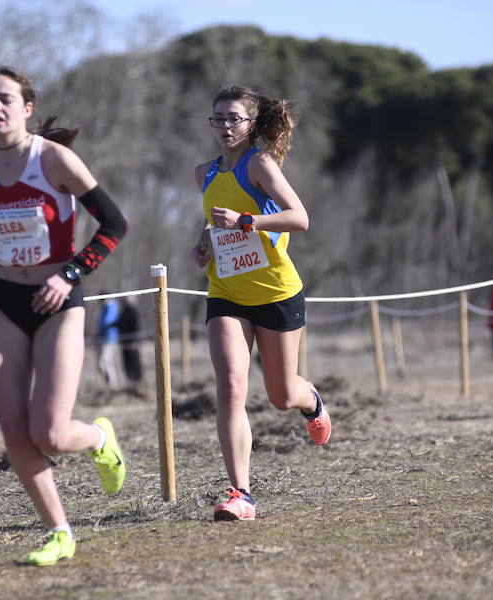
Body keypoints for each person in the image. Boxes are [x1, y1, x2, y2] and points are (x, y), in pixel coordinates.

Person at [0, 66, 128, 566]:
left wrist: (71, 273)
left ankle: (100, 438)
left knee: (50, 432)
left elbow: (115, 223)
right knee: (14, 429)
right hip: (3, 302)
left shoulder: (54, 160)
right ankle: (59, 531)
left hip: (59, 302)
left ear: (26, 107)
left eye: (5, 98)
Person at [191, 85, 331, 521]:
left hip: (275, 291)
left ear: (251, 123)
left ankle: (311, 401)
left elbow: (299, 218)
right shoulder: (205, 173)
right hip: (227, 291)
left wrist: (247, 221)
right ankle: (241, 494)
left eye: (234, 118)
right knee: (231, 384)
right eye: (218, 118)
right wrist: (205, 243)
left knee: (280, 394)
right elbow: (216, 224)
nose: (226, 126)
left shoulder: (261, 164)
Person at [96, 296, 122, 387]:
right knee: (103, 363)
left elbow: (106, 322)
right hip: (103, 338)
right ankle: (108, 384)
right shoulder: (105, 308)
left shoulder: (112, 306)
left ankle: (112, 384)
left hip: (110, 339)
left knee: (105, 361)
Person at [117, 296, 143, 382]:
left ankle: (137, 380)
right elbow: (120, 323)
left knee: (134, 361)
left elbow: (136, 327)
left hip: (132, 341)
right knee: (127, 362)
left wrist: (135, 340)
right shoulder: (124, 311)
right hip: (124, 341)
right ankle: (130, 379)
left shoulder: (133, 311)